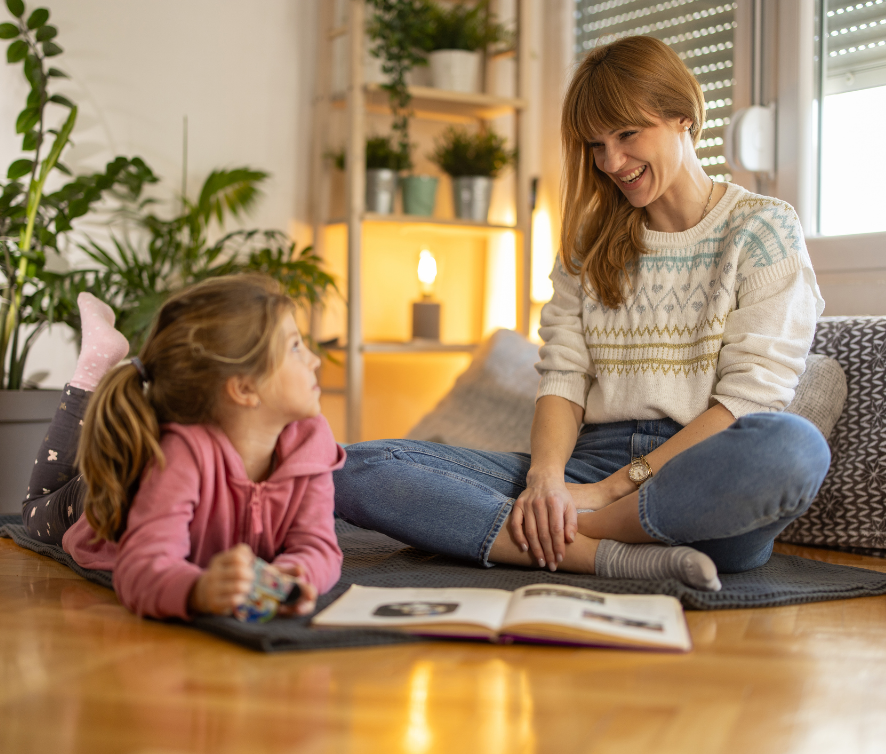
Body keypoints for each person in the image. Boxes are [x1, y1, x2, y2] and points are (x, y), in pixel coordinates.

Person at [333, 36, 831, 591]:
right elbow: (564, 375)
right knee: (347, 469)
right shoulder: (586, 244)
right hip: (585, 463)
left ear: (684, 117)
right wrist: (546, 482)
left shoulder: (762, 229)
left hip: (697, 476)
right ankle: (603, 555)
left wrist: (609, 492)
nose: (611, 162)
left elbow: (750, 399)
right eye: (595, 144)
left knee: (794, 447)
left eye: (626, 134)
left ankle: (571, 532)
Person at [21, 274, 345, 619]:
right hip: (104, 493)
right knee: (33, 512)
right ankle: (90, 371)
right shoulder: (180, 457)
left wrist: (297, 572)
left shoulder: (312, 445)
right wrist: (197, 591)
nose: (315, 360)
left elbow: (319, 546)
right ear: (244, 389)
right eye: (295, 347)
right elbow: (140, 570)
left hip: (152, 471)